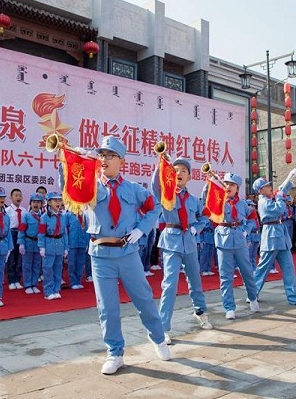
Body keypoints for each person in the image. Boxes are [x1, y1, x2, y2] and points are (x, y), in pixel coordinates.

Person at [69, 136, 169, 375]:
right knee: (107, 308)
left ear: (121, 160)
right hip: (100, 254)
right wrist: (73, 161)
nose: (104, 159)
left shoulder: (133, 189)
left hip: (127, 252)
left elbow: (154, 207)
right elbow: (69, 186)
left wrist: (140, 229)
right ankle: (115, 353)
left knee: (143, 298)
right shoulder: (89, 185)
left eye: (110, 155)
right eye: (101, 155)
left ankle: (158, 337)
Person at [152, 157, 213, 341]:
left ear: (189, 176)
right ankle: (163, 327)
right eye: (175, 170)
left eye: (183, 171)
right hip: (171, 242)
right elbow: (156, 185)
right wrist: (160, 164)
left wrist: (196, 228)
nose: (179, 173)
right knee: (169, 285)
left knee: (195, 280)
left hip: (189, 241)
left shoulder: (194, 200)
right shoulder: (166, 194)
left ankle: (200, 312)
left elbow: (205, 215)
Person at [205, 172, 259, 320]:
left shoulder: (243, 204)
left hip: (240, 240)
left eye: (232, 185)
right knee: (226, 276)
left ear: (237, 188)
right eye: (227, 183)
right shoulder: (218, 201)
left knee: (247, 272)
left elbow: (252, 217)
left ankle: (253, 297)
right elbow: (207, 200)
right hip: (223, 240)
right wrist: (209, 183)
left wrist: (246, 231)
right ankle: (229, 307)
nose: (229, 186)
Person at [253, 171, 296, 306]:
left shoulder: (270, 198)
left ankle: (294, 297)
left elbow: (281, 190)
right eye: (266, 186)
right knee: (262, 269)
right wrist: (281, 197)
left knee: (289, 268)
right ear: (260, 190)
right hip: (271, 236)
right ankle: (252, 294)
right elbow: (279, 209)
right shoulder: (263, 201)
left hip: (281, 236)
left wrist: (289, 178)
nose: (270, 187)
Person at [38, 192, 69, 300]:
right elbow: (41, 233)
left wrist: (66, 247)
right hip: (49, 244)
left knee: (58, 268)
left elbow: (64, 233)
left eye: (59, 200)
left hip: (59, 244)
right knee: (48, 269)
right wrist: (41, 246)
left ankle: (56, 289)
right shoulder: (44, 217)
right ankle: (48, 291)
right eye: (55, 201)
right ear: (49, 203)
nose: (58, 203)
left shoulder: (62, 216)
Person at [17, 193, 44, 294]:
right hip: (28, 242)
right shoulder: (26, 216)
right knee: (27, 265)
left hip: (38, 244)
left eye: (38, 202)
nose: (36, 204)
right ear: (30, 204)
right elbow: (21, 230)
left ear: (41, 204)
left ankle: (34, 284)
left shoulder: (43, 216)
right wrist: (21, 243)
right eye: (34, 202)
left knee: (36, 265)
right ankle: (28, 285)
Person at [5, 188, 26, 290]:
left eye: (19, 195)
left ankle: (17, 279)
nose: (18, 197)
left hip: (21, 234)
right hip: (11, 234)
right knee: (11, 258)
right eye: (16, 195)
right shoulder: (7, 211)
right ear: (11, 197)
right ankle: (11, 280)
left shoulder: (24, 211)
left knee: (20, 258)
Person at [66, 209, 90, 289]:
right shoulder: (68, 215)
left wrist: (86, 242)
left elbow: (87, 229)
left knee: (80, 262)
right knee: (72, 263)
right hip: (72, 242)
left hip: (82, 242)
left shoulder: (84, 215)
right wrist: (67, 244)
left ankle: (78, 281)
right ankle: (73, 282)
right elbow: (65, 230)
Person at [246, 199, 261, 270]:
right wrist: (248, 240)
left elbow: (258, 228)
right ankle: (249, 269)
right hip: (251, 236)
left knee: (254, 255)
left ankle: (254, 268)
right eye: (251, 206)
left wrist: (259, 238)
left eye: (254, 206)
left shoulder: (255, 218)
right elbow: (246, 231)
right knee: (249, 254)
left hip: (256, 236)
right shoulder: (247, 218)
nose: (253, 208)